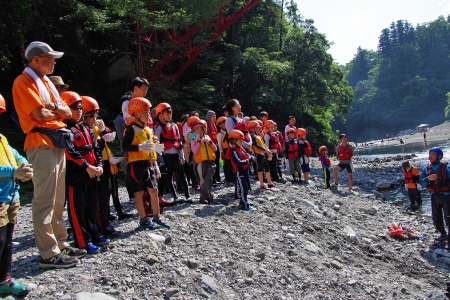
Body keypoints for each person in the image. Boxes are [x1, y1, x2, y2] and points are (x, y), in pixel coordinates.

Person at [12, 41, 85, 269]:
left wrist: (52, 107)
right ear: (35, 59)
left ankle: (60, 244)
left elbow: (66, 112)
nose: (54, 62)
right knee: (44, 201)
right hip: (40, 142)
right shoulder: (23, 82)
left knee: (57, 200)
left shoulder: (45, 83)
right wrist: (55, 108)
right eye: (50, 58)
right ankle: (48, 253)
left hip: (55, 142)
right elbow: (40, 114)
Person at [61, 91, 109, 254]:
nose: (79, 110)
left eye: (80, 107)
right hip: (76, 174)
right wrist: (87, 166)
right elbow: (70, 151)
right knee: (77, 210)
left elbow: (96, 147)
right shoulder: (65, 129)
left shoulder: (85, 128)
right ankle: (82, 241)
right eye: (75, 107)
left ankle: (94, 235)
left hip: (91, 173)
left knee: (91, 206)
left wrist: (99, 165)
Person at [0, 94, 33, 296]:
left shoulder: (1, 137)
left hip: (11, 196)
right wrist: (14, 172)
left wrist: (24, 165)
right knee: (0, 240)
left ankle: (5, 278)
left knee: (8, 239)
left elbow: (14, 153)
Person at [122, 97, 169, 230]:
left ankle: (156, 216)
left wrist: (156, 151)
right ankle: (143, 219)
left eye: (148, 112)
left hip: (148, 163)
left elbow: (150, 146)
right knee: (138, 193)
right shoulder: (130, 129)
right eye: (145, 112)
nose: (148, 114)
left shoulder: (148, 130)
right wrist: (139, 147)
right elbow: (125, 146)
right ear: (136, 113)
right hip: (135, 164)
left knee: (154, 190)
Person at [81, 96, 124, 237]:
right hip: (92, 167)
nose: (95, 118)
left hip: (103, 164)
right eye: (92, 115)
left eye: (96, 115)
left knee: (104, 197)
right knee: (97, 200)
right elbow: (95, 147)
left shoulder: (95, 128)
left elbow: (106, 143)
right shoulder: (85, 130)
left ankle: (104, 225)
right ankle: (100, 227)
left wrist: (103, 131)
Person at [114, 77, 150, 204]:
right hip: (130, 133)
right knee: (129, 158)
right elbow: (129, 121)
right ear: (135, 88)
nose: (145, 92)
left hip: (142, 132)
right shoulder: (127, 103)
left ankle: (145, 192)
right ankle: (132, 193)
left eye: (146, 90)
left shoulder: (143, 102)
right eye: (143, 89)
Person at [154, 103, 191, 203]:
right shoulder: (159, 128)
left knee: (182, 175)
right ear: (160, 115)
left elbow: (178, 142)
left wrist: (182, 156)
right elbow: (157, 143)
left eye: (170, 113)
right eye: (167, 113)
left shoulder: (174, 126)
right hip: (166, 156)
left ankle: (188, 196)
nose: (169, 115)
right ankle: (175, 197)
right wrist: (159, 159)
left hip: (175, 154)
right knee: (168, 177)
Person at [419, 147, 450, 242]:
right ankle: (442, 233)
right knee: (436, 217)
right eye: (430, 154)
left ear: (439, 156)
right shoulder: (426, 169)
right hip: (435, 196)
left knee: (448, 217)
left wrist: (439, 179)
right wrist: (428, 179)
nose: (430, 156)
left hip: (446, 196)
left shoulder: (446, 167)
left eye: (433, 154)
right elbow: (422, 182)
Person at [191, 120, 217, 204]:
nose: (198, 131)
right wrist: (198, 142)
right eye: (196, 130)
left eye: (200, 129)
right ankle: (206, 196)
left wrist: (210, 142)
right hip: (200, 163)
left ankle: (204, 196)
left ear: (204, 130)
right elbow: (194, 151)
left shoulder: (208, 138)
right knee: (202, 180)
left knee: (209, 178)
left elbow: (215, 149)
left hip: (210, 162)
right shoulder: (193, 140)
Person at [229, 130, 256, 211]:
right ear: (234, 141)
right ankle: (244, 204)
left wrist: (250, 157)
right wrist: (248, 160)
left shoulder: (241, 149)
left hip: (245, 171)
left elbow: (246, 155)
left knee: (246, 187)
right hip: (240, 172)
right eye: (240, 140)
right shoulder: (233, 152)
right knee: (243, 188)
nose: (242, 142)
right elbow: (238, 162)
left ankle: (244, 200)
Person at [248, 120, 274, 189]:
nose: (259, 129)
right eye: (257, 128)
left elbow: (263, 144)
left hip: (263, 154)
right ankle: (262, 184)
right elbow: (256, 145)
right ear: (252, 129)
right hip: (258, 155)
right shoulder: (252, 137)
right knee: (260, 169)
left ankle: (269, 183)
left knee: (267, 169)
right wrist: (266, 150)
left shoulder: (258, 136)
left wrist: (268, 150)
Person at [217, 116, 234, 187]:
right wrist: (221, 152)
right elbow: (220, 144)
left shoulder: (229, 132)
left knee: (232, 164)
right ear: (220, 125)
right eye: (223, 124)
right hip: (225, 150)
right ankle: (228, 180)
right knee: (227, 165)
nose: (224, 125)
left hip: (231, 149)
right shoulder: (220, 134)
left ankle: (232, 178)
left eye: (225, 124)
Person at [206, 110, 221, 184]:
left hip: (216, 145)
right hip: (210, 146)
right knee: (212, 163)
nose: (215, 117)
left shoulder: (214, 125)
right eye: (213, 116)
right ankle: (213, 180)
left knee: (217, 162)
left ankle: (217, 178)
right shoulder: (207, 126)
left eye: (215, 116)